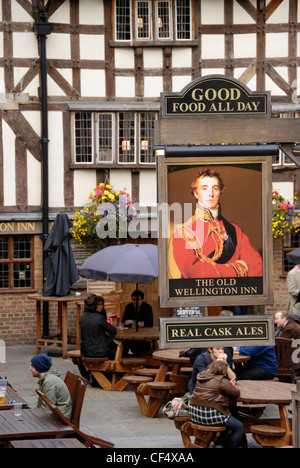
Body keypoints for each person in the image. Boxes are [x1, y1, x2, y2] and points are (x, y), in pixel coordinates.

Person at [169, 169, 263, 279]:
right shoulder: (184, 232)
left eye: (215, 188)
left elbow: (256, 267)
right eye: (204, 188)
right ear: (196, 193)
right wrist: (237, 270)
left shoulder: (235, 230)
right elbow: (193, 272)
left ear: (221, 192)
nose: (211, 194)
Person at [189, 360, 243, 448]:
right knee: (238, 426)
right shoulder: (221, 379)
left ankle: (219, 444)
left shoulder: (201, 377)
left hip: (194, 413)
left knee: (227, 419)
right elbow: (236, 393)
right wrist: (231, 385)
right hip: (210, 415)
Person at [30, 354, 72, 420]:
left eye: (32, 366)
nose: (30, 368)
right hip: (54, 414)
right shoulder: (45, 379)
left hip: (60, 418)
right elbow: (41, 403)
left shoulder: (49, 382)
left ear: (39, 367)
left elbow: (47, 408)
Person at [80, 294, 117, 359]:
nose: (101, 307)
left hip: (85, 351)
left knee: (111, 343)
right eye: (98, 305)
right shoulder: (99, 318)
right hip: (98, 351)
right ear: (94, 305)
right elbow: (113, 331)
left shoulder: (82, 317)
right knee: (116, 351)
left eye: (102, 304)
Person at [121, 290, 154, 355]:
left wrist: (132, 322)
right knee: (124, 342)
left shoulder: (147, 307)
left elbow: (150, 323)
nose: (135, 302)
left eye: (138, 299)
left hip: (144, 336)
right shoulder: (128, 307)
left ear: (142, 299)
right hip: (131, 336)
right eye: (133, 299)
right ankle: (123, 360)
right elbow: (124, 323)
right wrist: (138, 324)